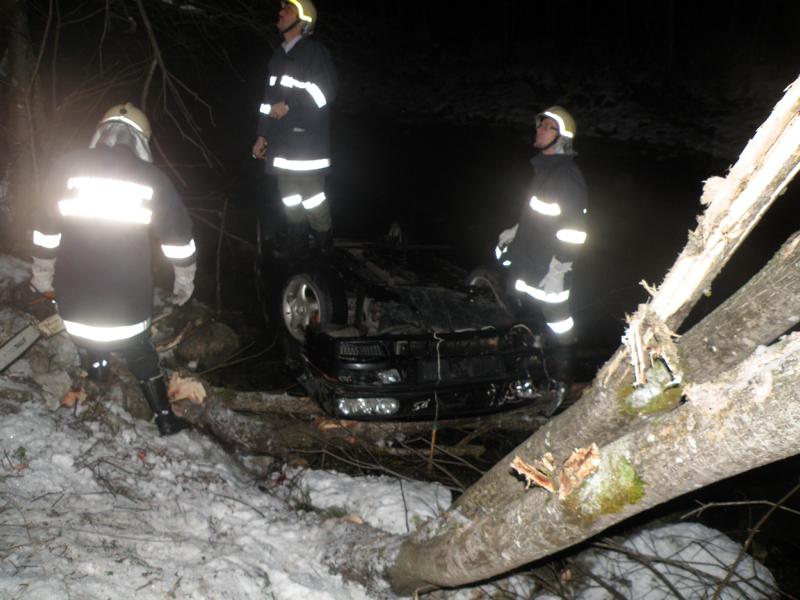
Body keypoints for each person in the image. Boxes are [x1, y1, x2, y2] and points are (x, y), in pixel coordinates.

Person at [30, 103, 197, 436]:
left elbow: (45, 230)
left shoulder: (67, 167)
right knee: (141, 353)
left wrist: (42, 277)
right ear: (141, 140)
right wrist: (184, 281)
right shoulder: (153, 179)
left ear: (102, 132)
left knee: (90, 332)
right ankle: (164, 418)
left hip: (74, 313)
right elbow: (179, 238)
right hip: (128, 314)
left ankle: (97, 367)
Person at [495, 106, 588, 407]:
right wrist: (516, 230)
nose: (539, 131)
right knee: (525, 321)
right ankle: (524, 382)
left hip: (549, 268)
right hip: (528, 262)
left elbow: (575, 230)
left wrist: (560, 267)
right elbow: (540, 214)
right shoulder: (544, 170)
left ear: (562, 137)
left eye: (547, 127)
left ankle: (562, 385)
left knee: (559, 324)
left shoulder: (566, 176)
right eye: (540, 126)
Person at [251, 0, 337, 254]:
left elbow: (325, 92)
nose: (280, 12)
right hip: (281, 144)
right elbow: (268, 103)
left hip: (307, 145)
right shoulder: (277, 57)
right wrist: (262, 135)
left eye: (287, 10)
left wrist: (290, 104)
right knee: (288, 197)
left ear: (302, 21)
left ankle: (324, 246)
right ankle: (296, 244)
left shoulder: (314, 52)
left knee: (313, 198)